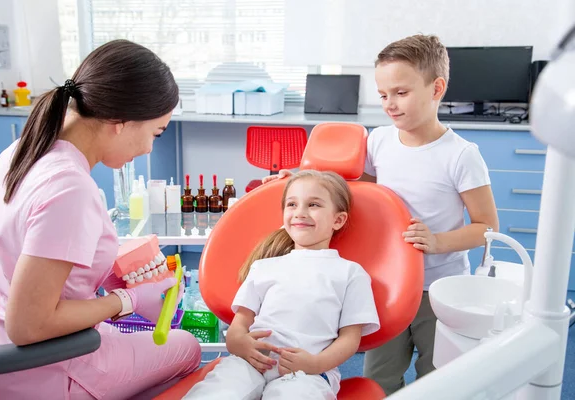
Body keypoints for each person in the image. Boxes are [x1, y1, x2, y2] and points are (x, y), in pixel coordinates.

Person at [264, 34, 499, 395]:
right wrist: (299, 177)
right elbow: (353, 190)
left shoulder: (461, 155)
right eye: (383, 94)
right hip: (385, 286)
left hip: (435, 290)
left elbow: (487, 228)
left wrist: (437, 242)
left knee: (438, 378)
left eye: (401, 93)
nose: (389, 104)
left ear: (436, 88)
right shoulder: (378, 141)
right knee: (378, 378)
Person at [0, 39, 201, 400]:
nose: (148, 149)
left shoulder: (23, 149)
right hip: (48, 365)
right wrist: (125, 301)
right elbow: (27, 325)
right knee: (186, 346)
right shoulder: (69, 188)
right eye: (155, 133)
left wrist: (97, 273)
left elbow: (24, 254)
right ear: (119, 121)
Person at [183, 170, 380, 400]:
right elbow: (239, 325)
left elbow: (350, 339)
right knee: (216, 394)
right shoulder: (264, 267)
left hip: (307, 374)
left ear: (338, 220)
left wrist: (316, 364)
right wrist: (239, 344)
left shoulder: (350, 273)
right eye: (292, 204)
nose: (300, 213)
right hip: (251, 364)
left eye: (313, 204)